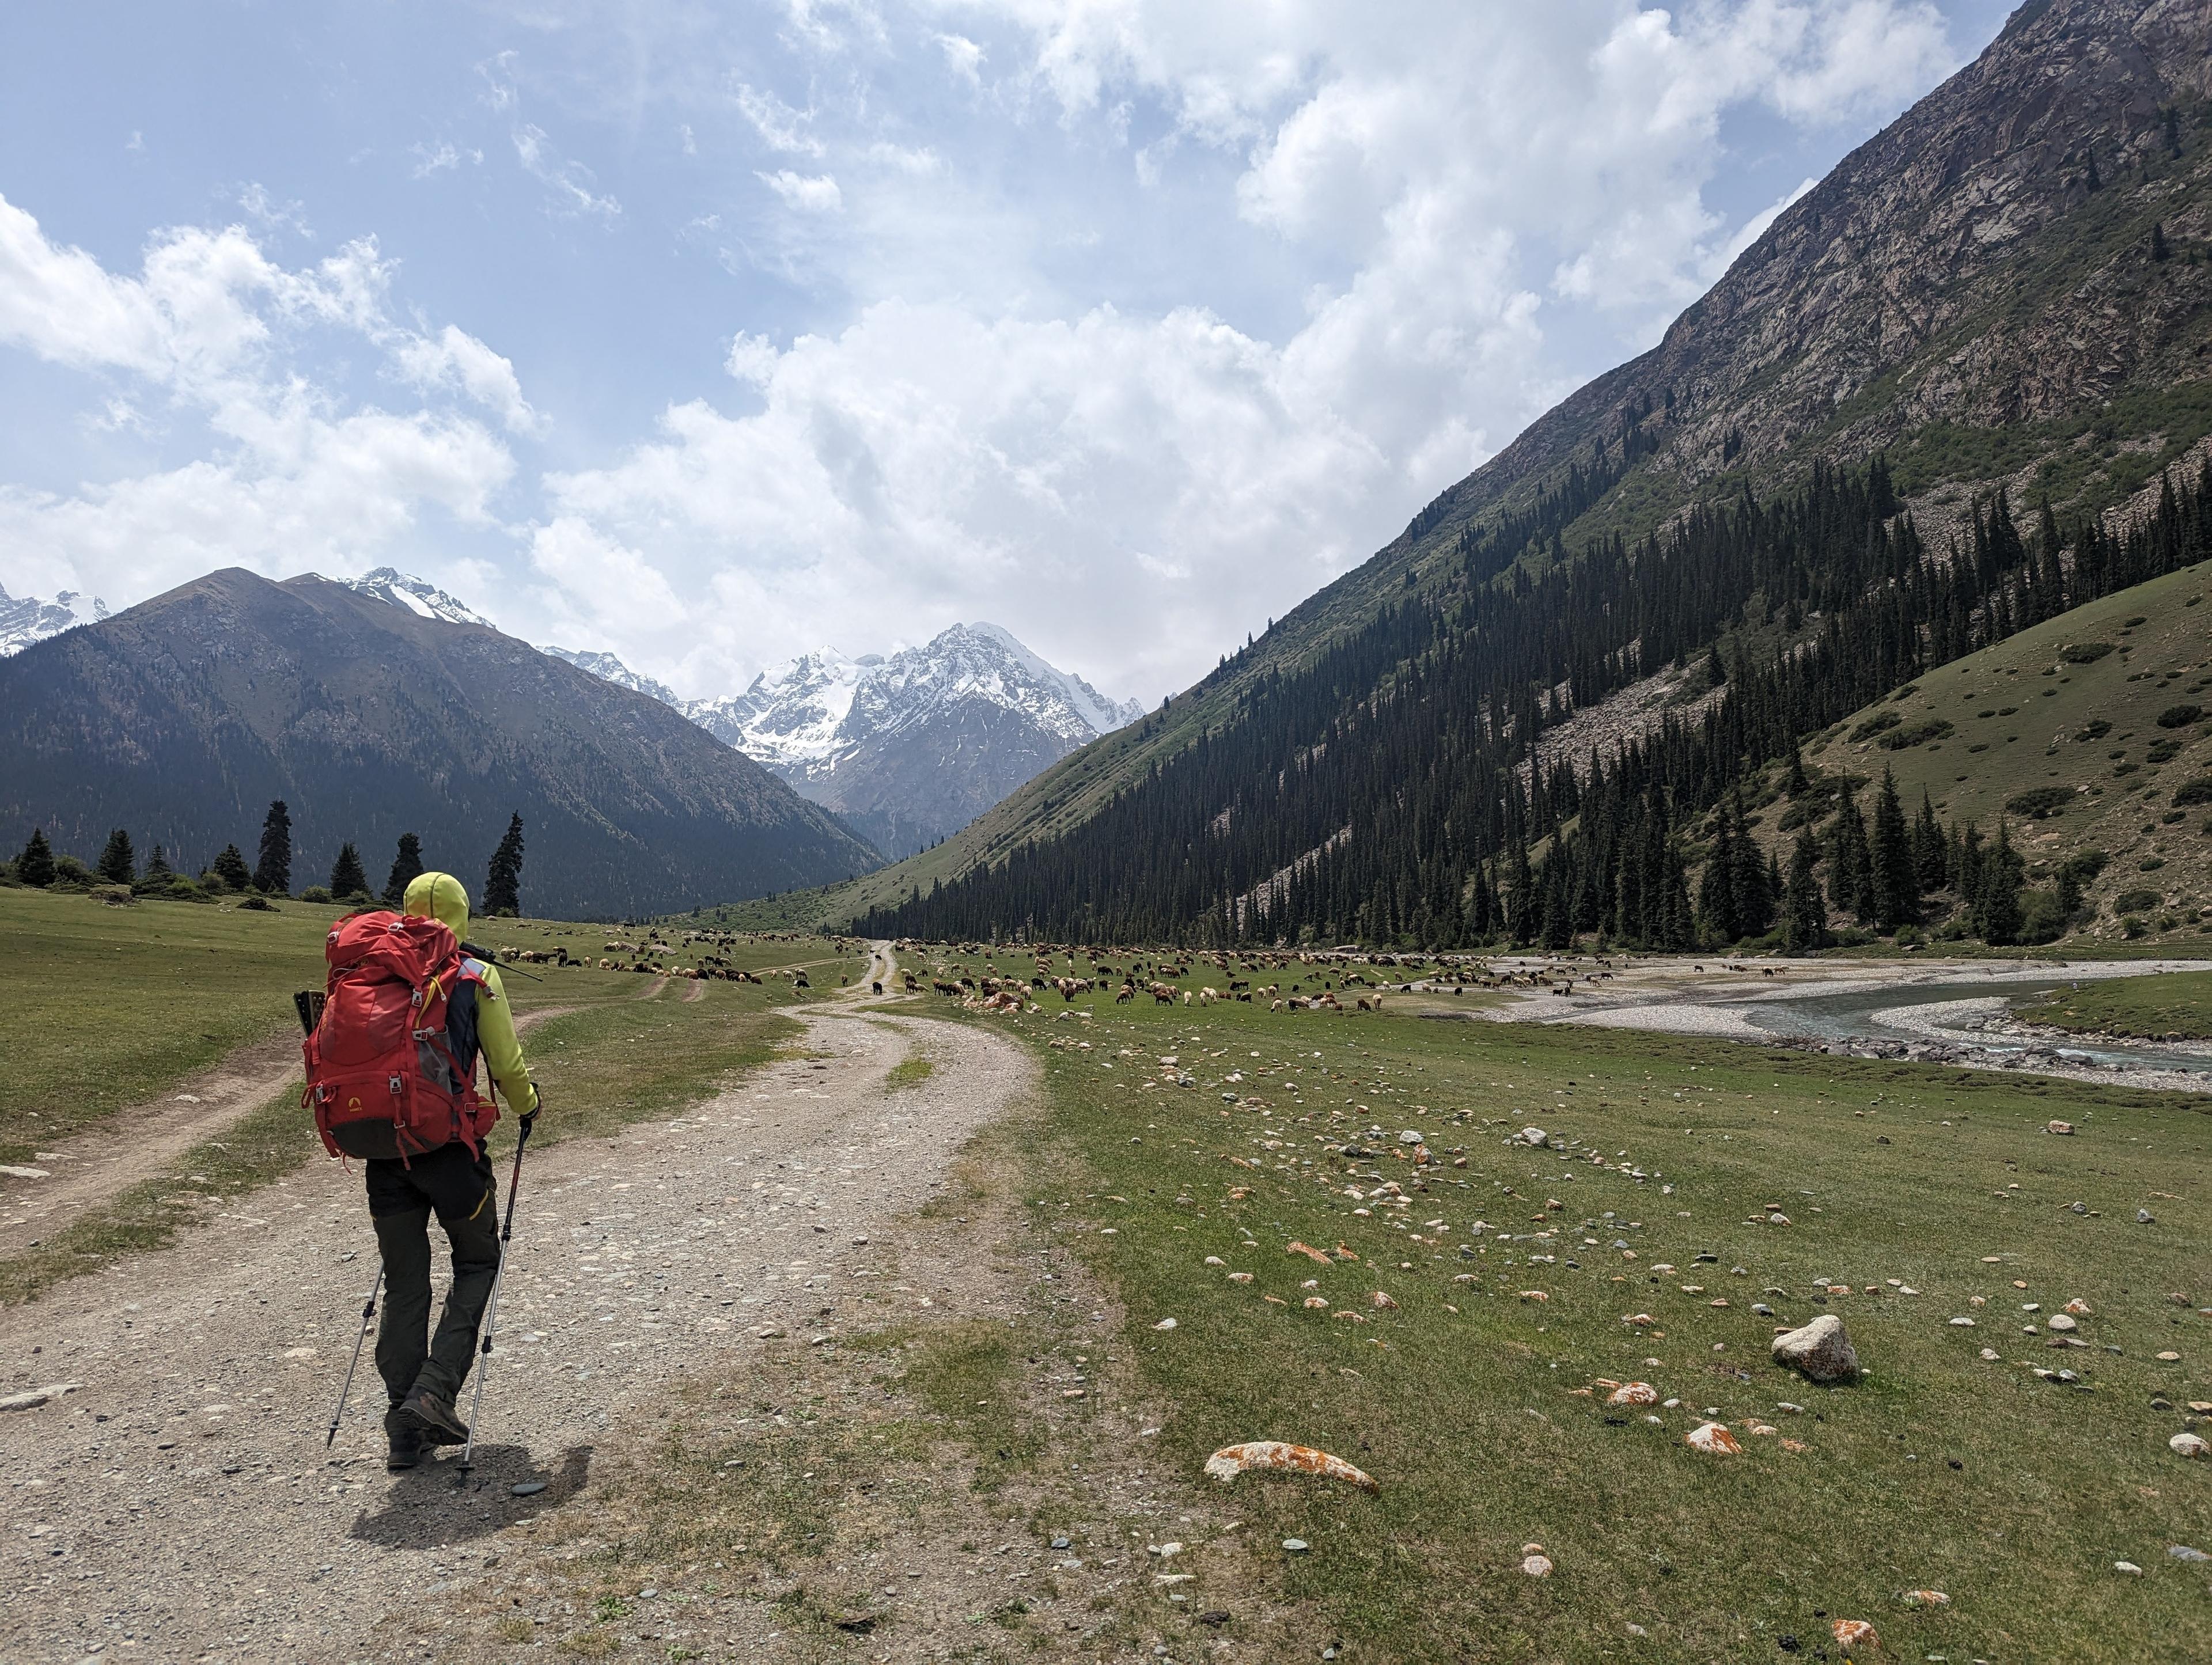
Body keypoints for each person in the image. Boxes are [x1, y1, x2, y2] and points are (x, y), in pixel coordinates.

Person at [373, 870, 540, 1470]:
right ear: (464, 914)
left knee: (404, 1280)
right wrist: (529, 1105)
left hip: (384, 1152)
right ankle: (433, 1390)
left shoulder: (372, 968)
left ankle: (403, 1423)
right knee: (477, 1260)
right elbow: (507, 1062)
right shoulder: (474, 974)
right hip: (450, 1152)